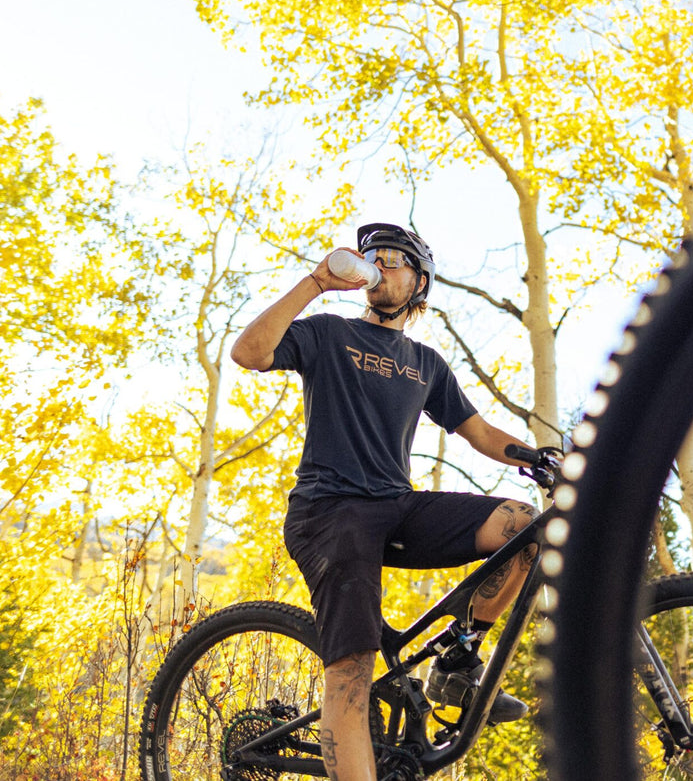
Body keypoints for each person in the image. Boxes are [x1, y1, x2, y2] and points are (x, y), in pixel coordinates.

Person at [231, 221, 544, 781]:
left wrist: (537, 456)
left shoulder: (425, 363)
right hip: (329, 511)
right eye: (374, 254)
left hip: (397, 508)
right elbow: (249, 352)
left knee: (526, 527)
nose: (380, 262)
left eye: (396, 257)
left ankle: (457, 657)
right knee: (351, 670)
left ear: (419, 282)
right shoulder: (328, 333)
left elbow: (478, 433)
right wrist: (316, 283)